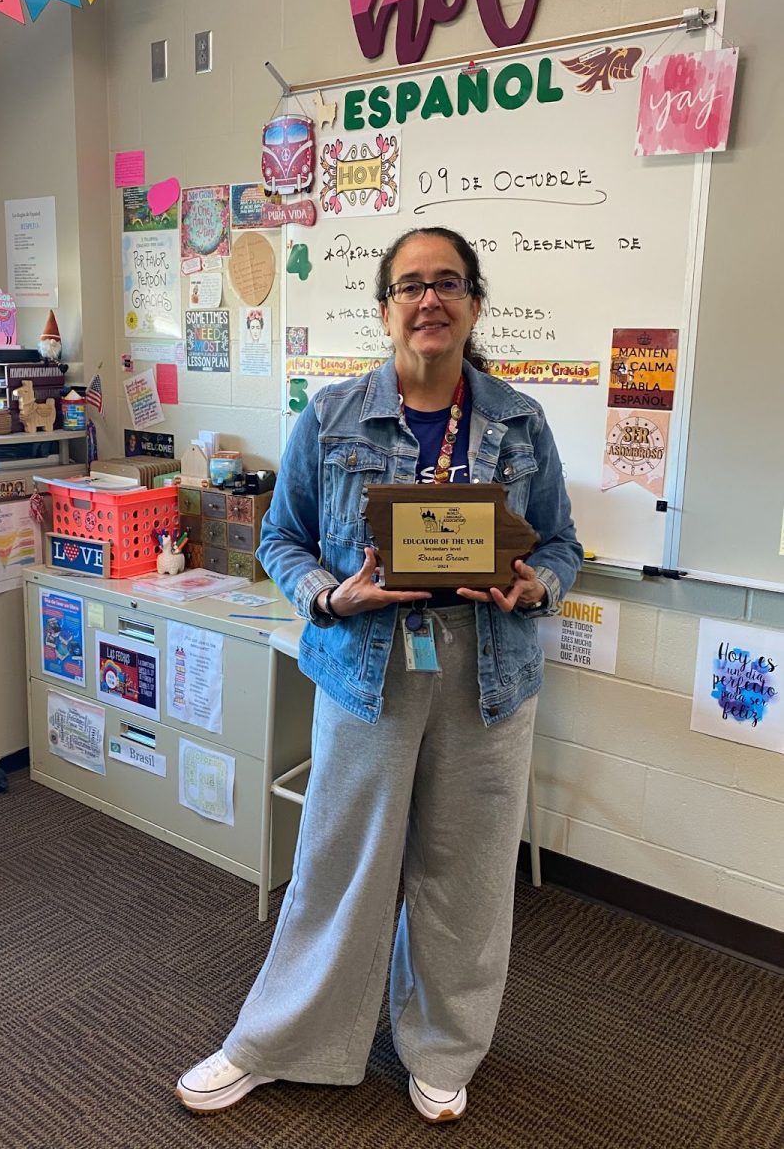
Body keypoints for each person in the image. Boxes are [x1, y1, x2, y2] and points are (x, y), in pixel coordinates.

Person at [176, 226, 582, 1123]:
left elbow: (561, 543)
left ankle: (441, 1047)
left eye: (448, 283)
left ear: (475, 303)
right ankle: (277, 1041)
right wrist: (330, 595)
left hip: (489, 672)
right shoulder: (330, 416)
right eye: (410, 285)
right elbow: (280, 538)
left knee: (468, 873)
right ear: (386, 306)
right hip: (368, 666)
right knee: (339, 865)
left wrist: (534, 583)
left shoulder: (521, 420)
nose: (429, 299)